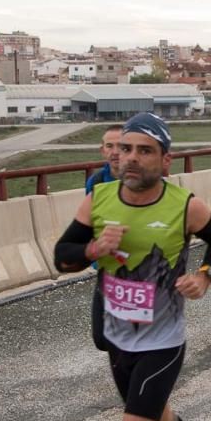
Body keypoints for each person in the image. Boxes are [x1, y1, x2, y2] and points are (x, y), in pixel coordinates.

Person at [53, 113, 211, 421]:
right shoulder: (97, 199)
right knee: (158, 418)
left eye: (144, 151)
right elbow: (62, 257)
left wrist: (205, 276)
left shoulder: (185, 206)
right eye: (126, 149)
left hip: (163, 340)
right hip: (119, 337)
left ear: (165, 161)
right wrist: (95, 248)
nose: (131, 159)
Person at [84, 124, 124, 352]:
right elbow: (90, 219)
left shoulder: (141, 179)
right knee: (102, 338)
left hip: (137, 268)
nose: (115, 152)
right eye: (110, 146)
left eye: (121, 146)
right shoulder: (96, 182)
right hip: (107, 266)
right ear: (103, 150)